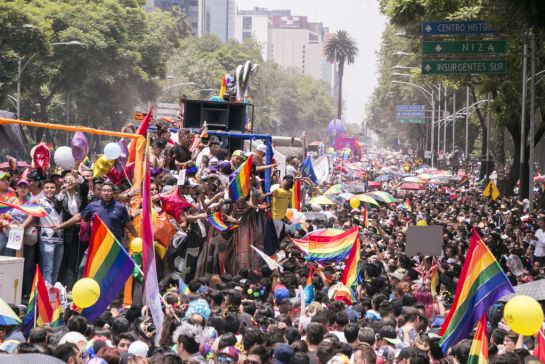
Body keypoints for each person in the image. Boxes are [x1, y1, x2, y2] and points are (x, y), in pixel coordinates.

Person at [54, 182, 137, 244]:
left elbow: (128, 224)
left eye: (109, 191)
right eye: (104, 191)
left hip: (114, 244)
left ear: (113, 193)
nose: (106, 193)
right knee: (85, 267)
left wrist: (137, 238)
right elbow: (78, 217)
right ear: (100, 193)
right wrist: (61, 226)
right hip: (97, 244)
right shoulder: (93, 205)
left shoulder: (120, 207)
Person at [23, 178, 64, 284]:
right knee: (48, 269)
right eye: (47, 188)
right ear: (43, 189)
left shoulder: (60, 199)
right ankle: (46, 296)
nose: (49, 190)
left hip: (60, 240)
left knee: (56, 270)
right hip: (47, 239)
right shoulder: (39, 201)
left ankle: (53, 296)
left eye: (52, 187)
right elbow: (31, 215)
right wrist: (22, 227)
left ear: (56, 189)